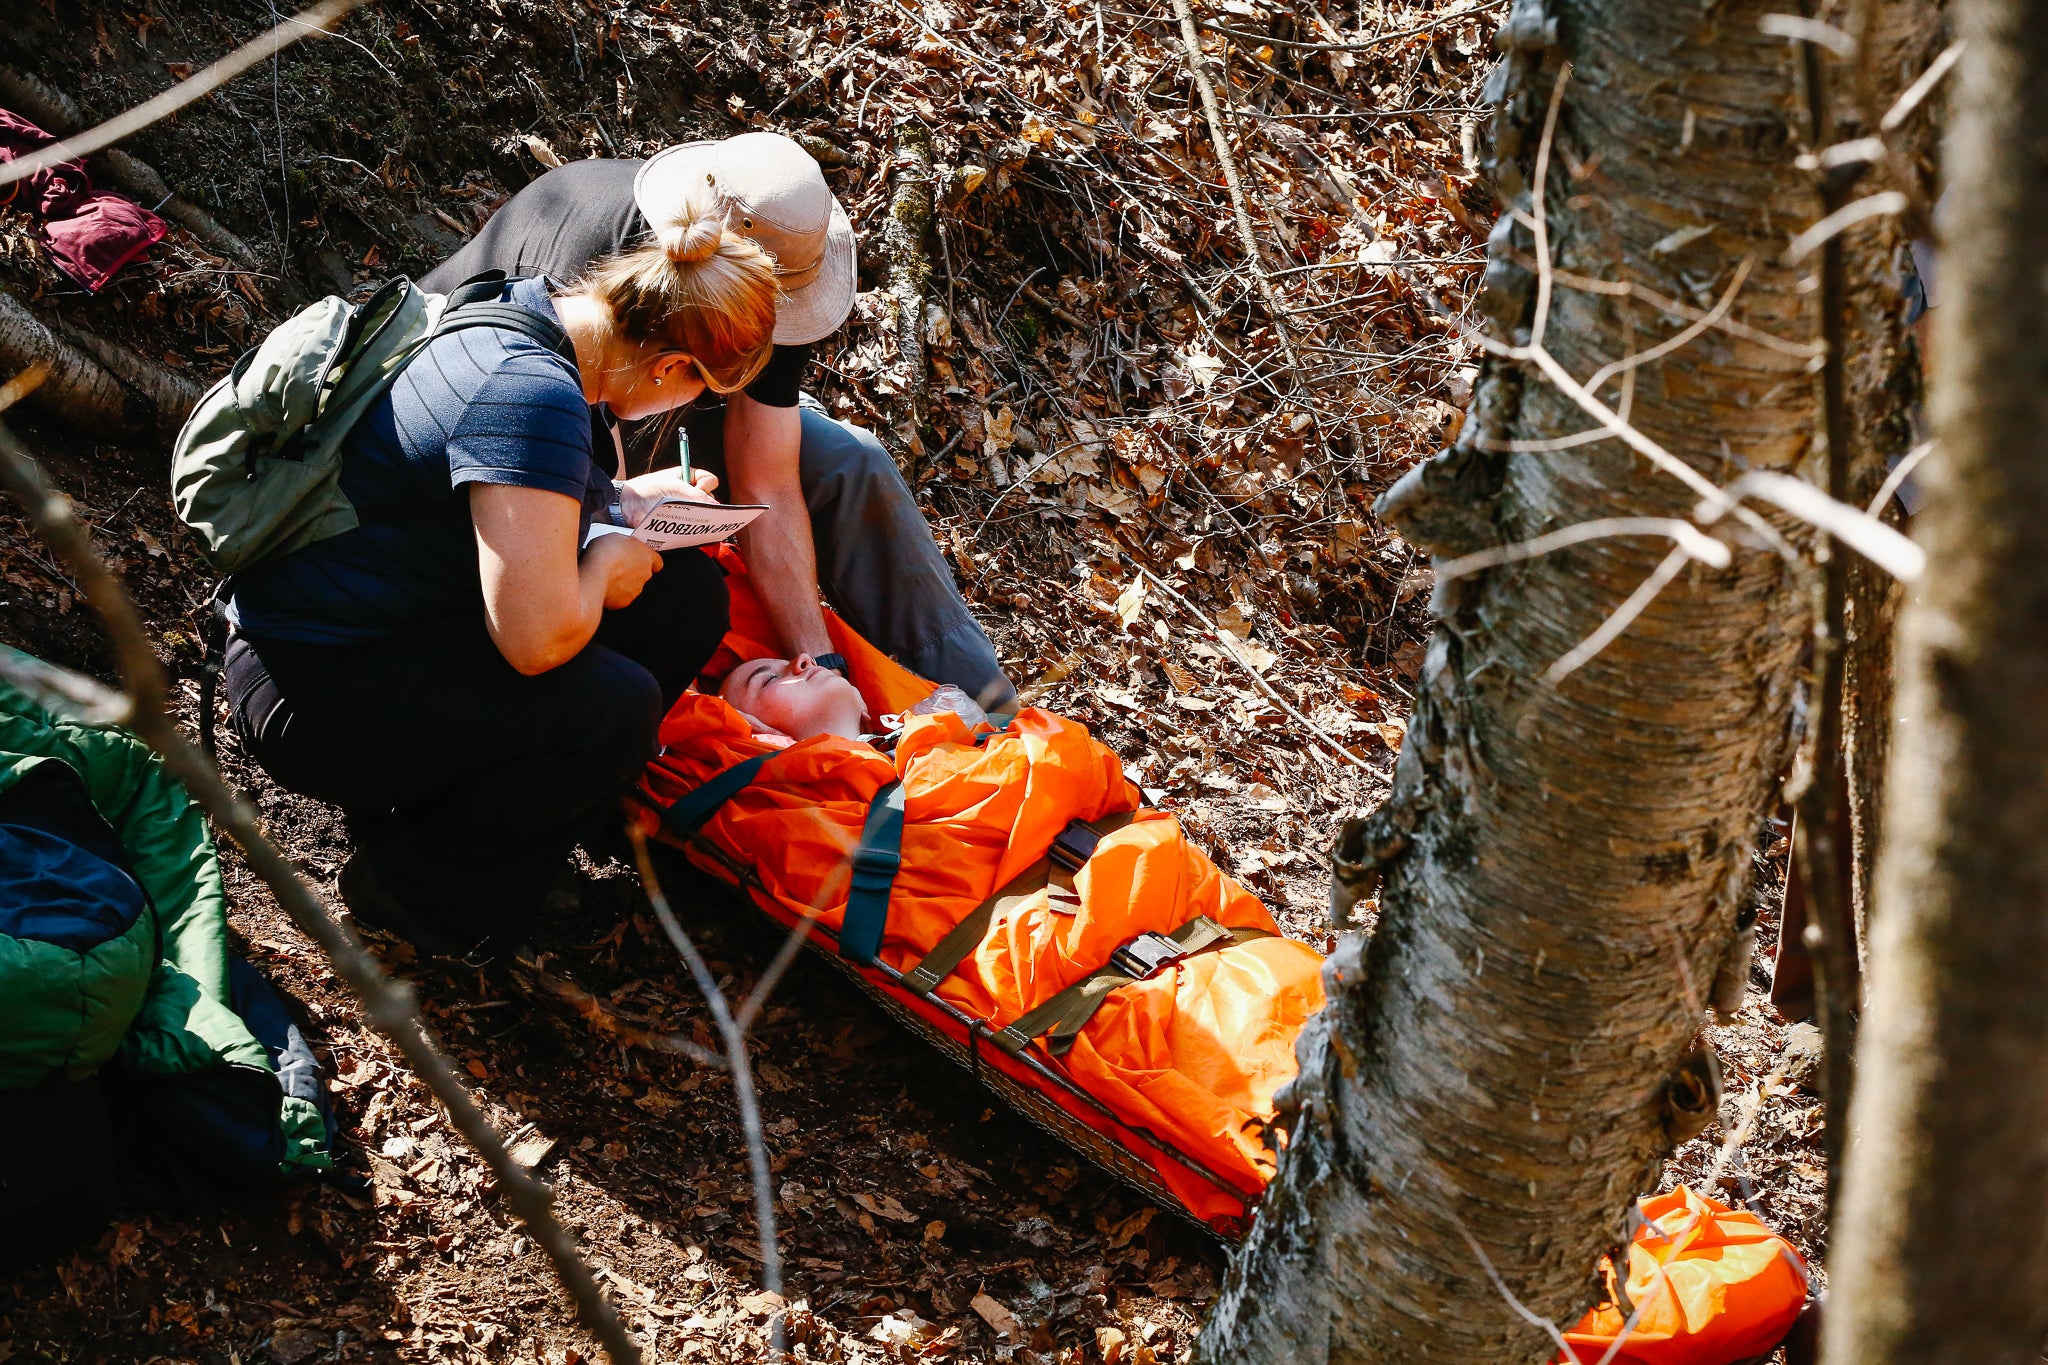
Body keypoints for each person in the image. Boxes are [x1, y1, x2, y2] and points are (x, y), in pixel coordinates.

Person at [222, 207, 781, 953]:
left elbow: (493, 499)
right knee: (612, 707)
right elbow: (535, 642)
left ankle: (513, 839)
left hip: (386, 626)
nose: (689, 406)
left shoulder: (526, 311)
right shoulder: (532, 394)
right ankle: (417, 891)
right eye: (699, 390)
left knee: (684, 600)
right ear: (669, 367)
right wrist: (603, 568)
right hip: (306, 684)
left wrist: (621, 503)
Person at [422, 133, 1019, 718]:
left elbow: (768, 477)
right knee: (673, 593)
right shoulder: (602, 269)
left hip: (643, 387)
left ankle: (982, 712)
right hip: (499, 429)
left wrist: (819, 663)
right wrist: (622, 512)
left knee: (847, 460)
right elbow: (581, 468)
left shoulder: (782, 273)